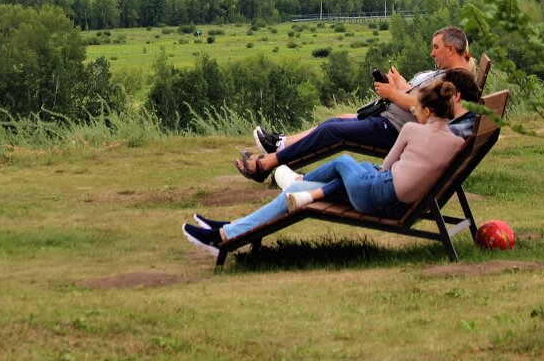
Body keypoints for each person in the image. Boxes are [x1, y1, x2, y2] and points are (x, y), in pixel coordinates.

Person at [184, 78, 466, 255]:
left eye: (416, 109)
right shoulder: (457, 142)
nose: (413, 112)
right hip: (402, 204)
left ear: (426, 111)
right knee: (329, 179)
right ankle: (230, 231)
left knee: (344, 161)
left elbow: (388, 166)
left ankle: (296, 184)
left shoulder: (412, 130)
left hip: (379, 196)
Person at [236, 26, 475, 183]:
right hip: (390, 122)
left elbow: (423, 106)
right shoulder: (449, 74)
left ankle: (268, 163)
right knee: (333, 123)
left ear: (450, 49)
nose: (432, 53)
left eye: (436, 47)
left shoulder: (456, 80)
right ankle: (278, 152)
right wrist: (400, 86)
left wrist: (392, 93)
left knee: (332, 131)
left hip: (394, 130)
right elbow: (421, 100)